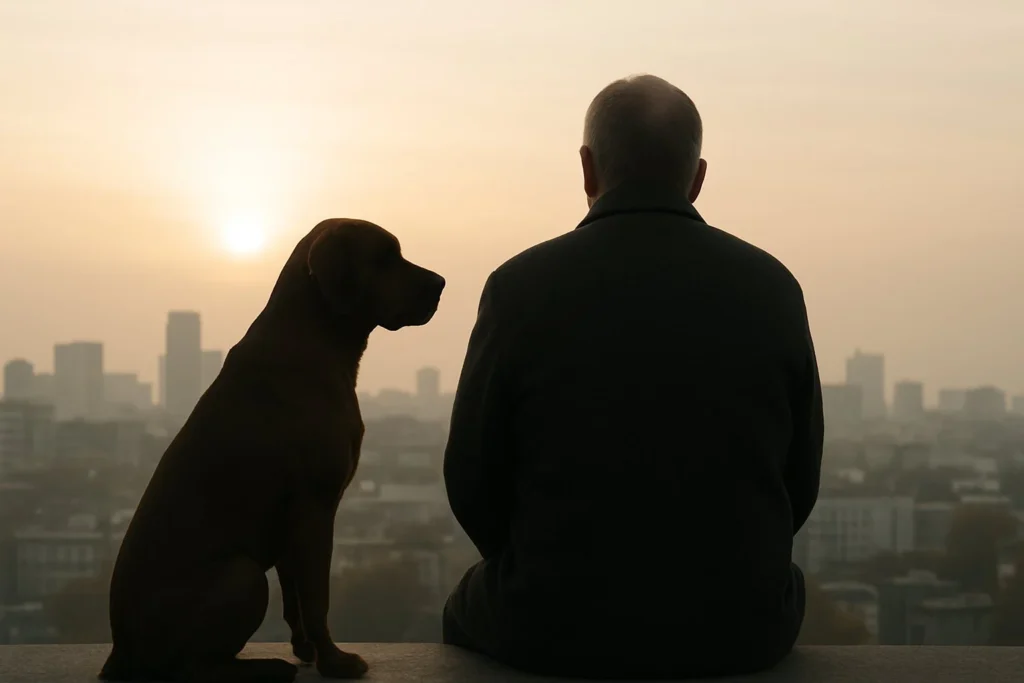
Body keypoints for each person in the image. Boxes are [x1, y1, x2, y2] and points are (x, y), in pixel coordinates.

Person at [441, 74, 823, 679]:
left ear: (587, 168)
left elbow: (471, 478)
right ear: (697, 178)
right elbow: (798, 481)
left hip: (551, 620)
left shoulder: (519, 286)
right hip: (740, 626)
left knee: (464, 607)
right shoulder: (773, 287)